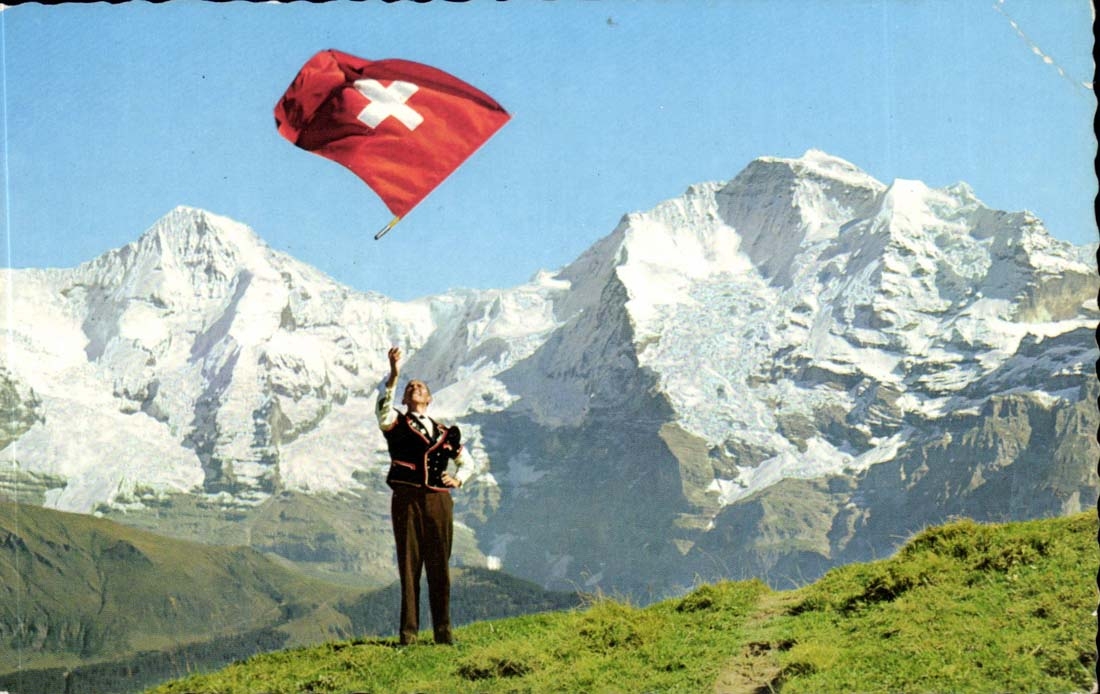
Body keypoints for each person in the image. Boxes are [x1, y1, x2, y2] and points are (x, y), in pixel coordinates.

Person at [376, 346, 469, 645]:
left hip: (439, 501)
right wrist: (393, 375)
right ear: (404, 399)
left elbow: (468, 462)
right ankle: (409, 634)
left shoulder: (445, 432)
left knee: (440, 564)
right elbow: (382, 408)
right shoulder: (395, 422)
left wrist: (457, 478)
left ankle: (444, 632)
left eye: (421, 387)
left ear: (429, 399)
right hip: (407, 498)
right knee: (409, 564)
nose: (415, 388)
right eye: (410, 387)